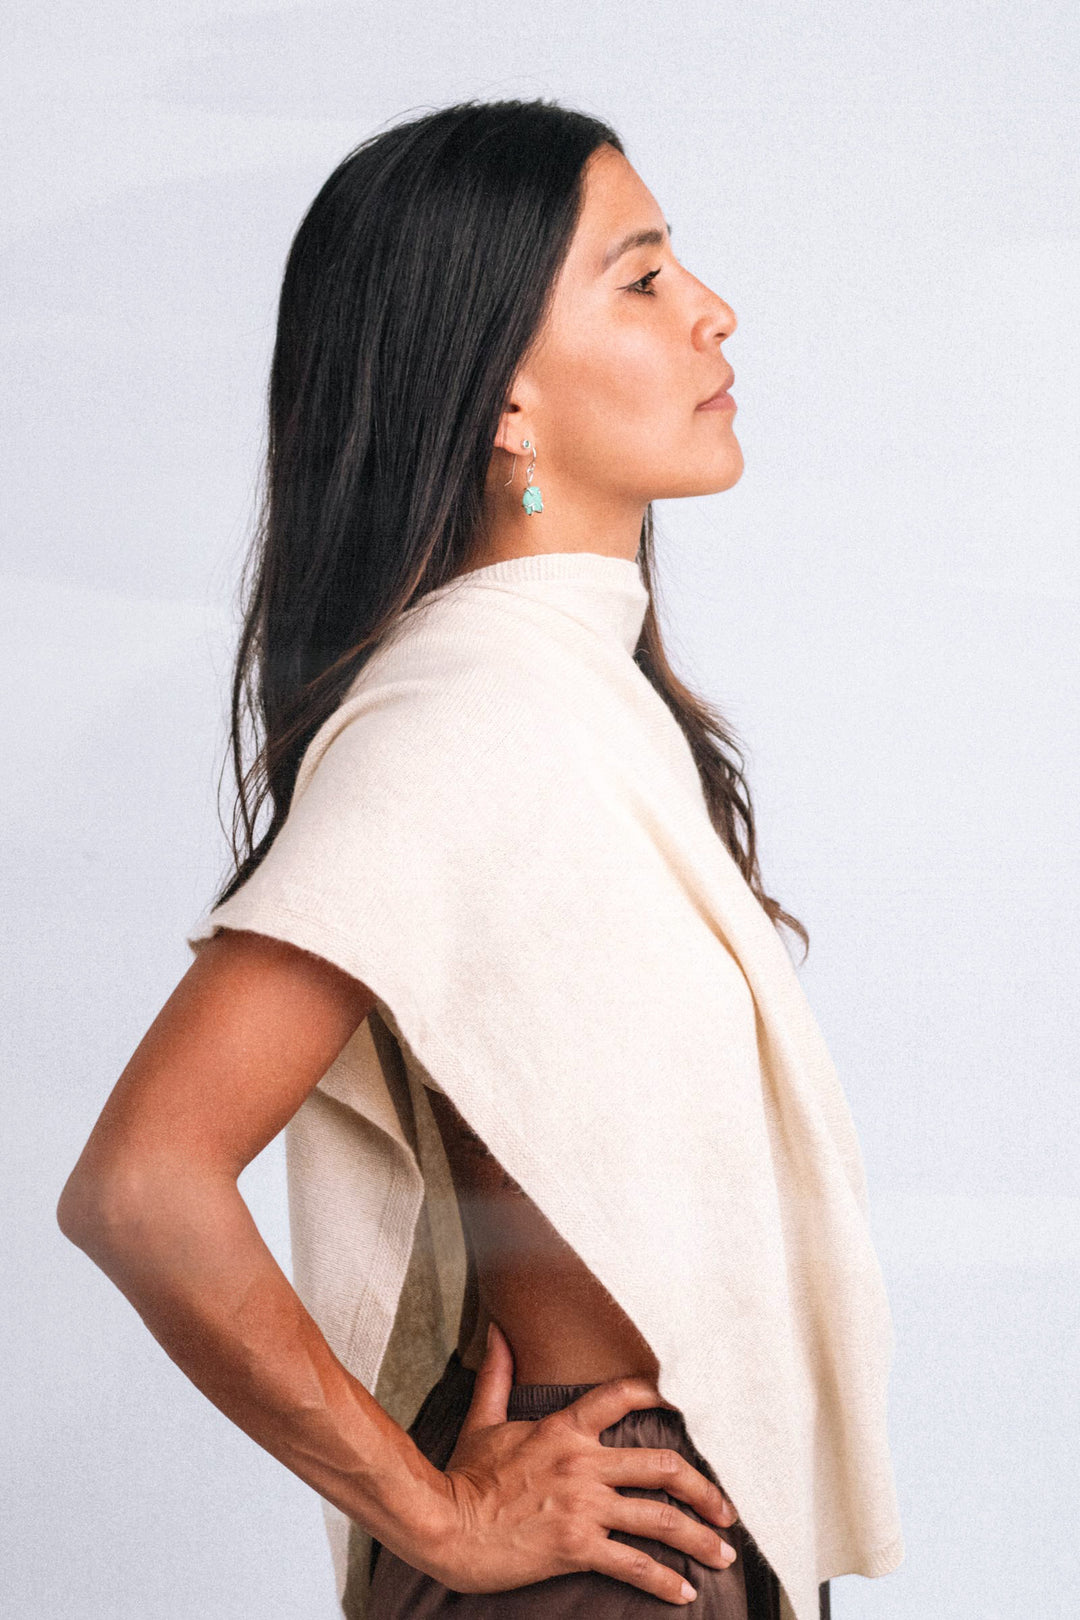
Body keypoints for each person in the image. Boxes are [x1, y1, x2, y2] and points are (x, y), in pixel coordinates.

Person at [57, 99, 902, 1620]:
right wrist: (438, 1514)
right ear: (507, 398)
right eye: (642, 278)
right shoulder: (466, 715)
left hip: (664, 1530)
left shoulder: (569, 697)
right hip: (599, 1555)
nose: (712, 309)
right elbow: (143, 1182)